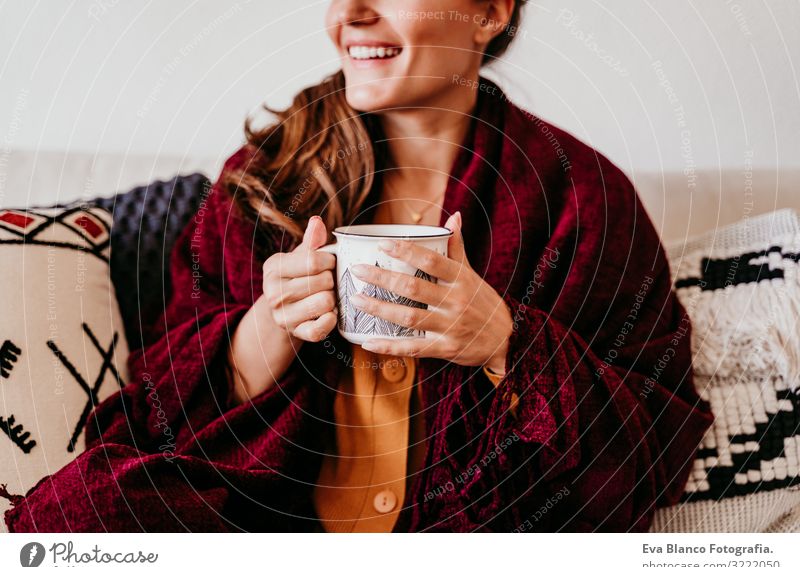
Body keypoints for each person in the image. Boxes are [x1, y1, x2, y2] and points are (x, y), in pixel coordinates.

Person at [3, 0, 712, 533]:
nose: (350, 14)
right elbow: (157, 403)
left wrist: (507, 343)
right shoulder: (267, 179)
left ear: (490, 13)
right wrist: (267, 329)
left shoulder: (581, 199)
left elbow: (655, 445)